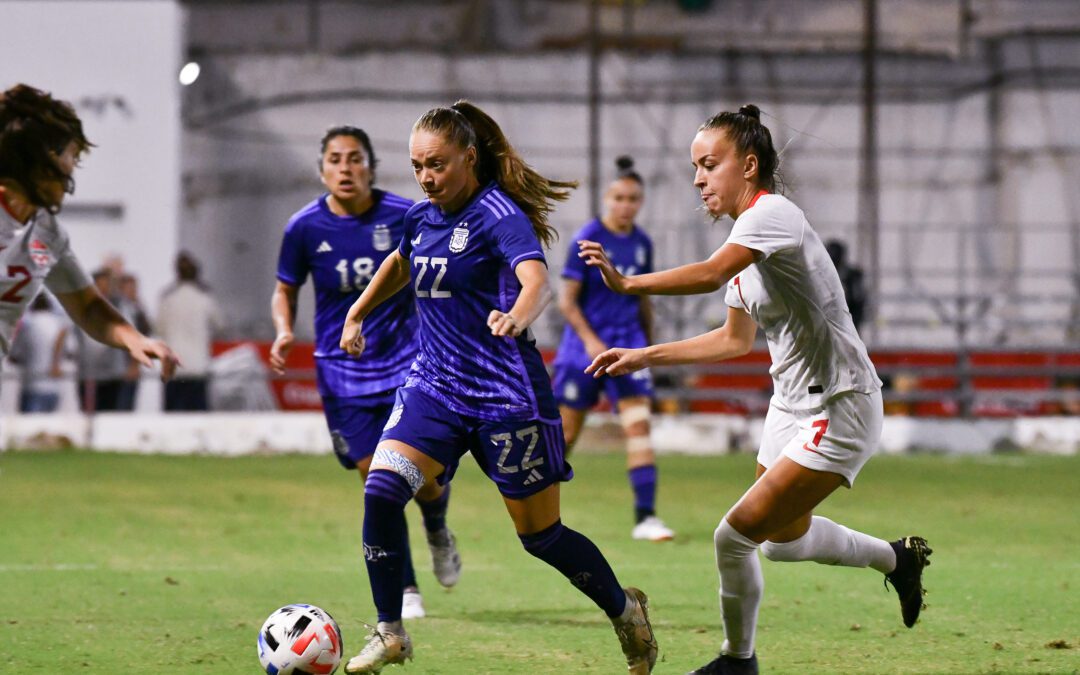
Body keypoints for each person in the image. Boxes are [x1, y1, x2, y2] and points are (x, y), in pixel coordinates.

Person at [581, 104, 931, 675]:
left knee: (732, 538)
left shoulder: (773, 215)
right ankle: (895, 559)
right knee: (779, 541)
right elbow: (731, 340)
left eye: (709, 164)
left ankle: (736, 663)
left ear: (748, 166)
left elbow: (710, 272)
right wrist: (646, 355)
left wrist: (627, 283)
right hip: (791, 406)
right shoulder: (748, 250)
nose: (699, 178)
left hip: (840, 405)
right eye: (695, 167)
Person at [338, 101, 658, 674]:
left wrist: (517, 315)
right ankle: (390, 631)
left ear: (468, 156)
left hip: (505, 397)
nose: (426, 178)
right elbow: (403, 262)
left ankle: (623, 608)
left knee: (541, 537)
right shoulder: (421, 216)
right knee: (382, 489)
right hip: (433, 387)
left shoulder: (498, 214)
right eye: (416, 167)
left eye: (436, 164)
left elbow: (535, 280)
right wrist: (358, 311)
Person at [270, 126, 461, 622]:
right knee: (376, 479)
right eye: (335, 159)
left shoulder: (405, 215)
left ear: (371, 166)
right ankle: (407, 589)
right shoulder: (304, 227)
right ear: (322, 169)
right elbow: (285, 287)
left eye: (355, 159)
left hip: (407, 362)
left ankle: (437, 526)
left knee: (422, 481)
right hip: (342, 372)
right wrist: (282, 330)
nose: (345, 168)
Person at [0, 84, 178, 411]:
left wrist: (133, 338)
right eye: (70, 155)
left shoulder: (47, 233)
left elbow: (88, 308)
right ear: (41, 162)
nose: (73, 167)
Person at [553, 155, 674, 542]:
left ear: (640, 202)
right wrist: (591, 342)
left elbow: (643, 298)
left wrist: (649, 343)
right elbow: (567, 301)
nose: (626, 205)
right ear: (607, 197)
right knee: (565, 435)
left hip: (628, 348)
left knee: (639, 429)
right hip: (583, 351)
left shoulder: (641, 244)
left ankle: (646, 517)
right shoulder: (586, 239)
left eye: (633, 198)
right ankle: (536, 508)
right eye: (619, 197)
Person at [156, 252, 224, 411]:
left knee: (172, 416)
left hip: (174, 367)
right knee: (197, 417)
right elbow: (220, 326)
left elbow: (158, 328)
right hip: (197, 367)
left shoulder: (167, 298)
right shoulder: (205, 298)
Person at [7, 293, 71, 412]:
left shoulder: (28, 324)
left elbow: (14, 356)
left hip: (32, 385)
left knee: (30, 428)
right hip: (54, 387)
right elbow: (69, 353)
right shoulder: (58, 324)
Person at [825, 238, 867, 333]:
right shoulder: (821, 275)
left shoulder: (853, 275)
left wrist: (854, 322)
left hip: (848, 320)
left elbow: (858, 300)